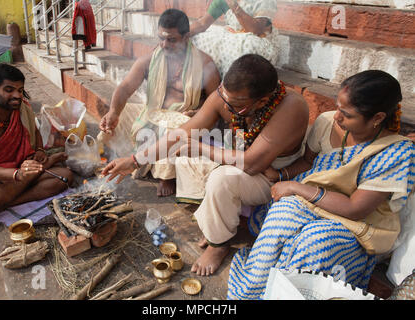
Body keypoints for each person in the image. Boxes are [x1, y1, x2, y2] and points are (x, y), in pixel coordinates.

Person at [101, 54, 309, 276]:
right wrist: (134, 161)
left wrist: (200, 148)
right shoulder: (225, 96)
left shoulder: (292, 106)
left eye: (235, 105)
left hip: (272, 174)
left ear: (262, 101)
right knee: (187, 153)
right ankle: (219, 224)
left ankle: (219, 244)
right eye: (224, 97)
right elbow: (181, 134)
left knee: (221, 179)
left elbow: (252, 164)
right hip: (241, 156)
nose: (225, 106)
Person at [227, 70, 415, 300]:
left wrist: (296, 188)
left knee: (314, 241)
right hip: (317, 204)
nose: (337, 116)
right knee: (282, 212)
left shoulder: (397, 153)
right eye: (337, 107)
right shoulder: (327, 122)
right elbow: (308, 162)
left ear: (377, 118)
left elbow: (356, 209)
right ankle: (251, 292)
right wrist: (281, 175)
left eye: (347, 114)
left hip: (357, 226)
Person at [99, 9, 220, 197]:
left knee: (175, 129)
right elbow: (124, 88)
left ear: (186, 36)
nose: (164, 45)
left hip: (183, 119)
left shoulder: (205, 64)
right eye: (160, 38)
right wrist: (114, 111)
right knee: (120, 115)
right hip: (153, 113)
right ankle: (115, 159)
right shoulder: (149, 60)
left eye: (171, 39)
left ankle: (167, 177)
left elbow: (216, 104)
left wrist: (197, 114)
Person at [0, 63, 73, 228]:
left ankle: (2, 206)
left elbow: (35, 132)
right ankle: (36, 173)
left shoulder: (22, 108)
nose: (17, 95)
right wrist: (16, 174)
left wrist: (38, 150)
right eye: (9, 90)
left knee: (65, 177)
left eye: (20, 90)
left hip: (23, 168)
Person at [189, 0, 278, 78]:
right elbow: (202, 23)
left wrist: (233, 5)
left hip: (259, 42)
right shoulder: (221, 1)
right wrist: (183, 33)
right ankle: (211, 78)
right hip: (234, 38)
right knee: (199, 37)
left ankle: (234, 85)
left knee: (245, 47)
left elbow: (255, 30)